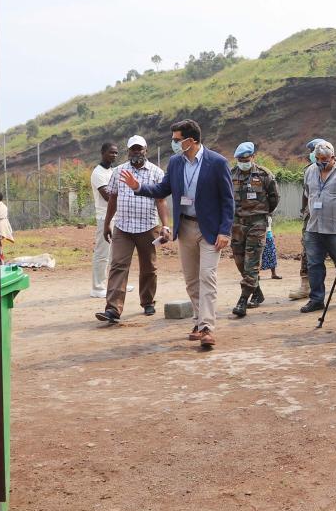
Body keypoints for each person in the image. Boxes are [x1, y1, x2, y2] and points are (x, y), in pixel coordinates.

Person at [117, 120, 235, 350]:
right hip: (186, 228)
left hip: (210, 230)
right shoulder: (175, 162)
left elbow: (228, 200)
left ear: (191, 140)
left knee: (207, 276)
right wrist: (138, 187)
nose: (173, 143)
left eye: (177, 139)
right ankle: (199, 321)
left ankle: (207, 328)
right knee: (191, 280)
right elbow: (163, 189)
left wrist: (225, 231)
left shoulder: (217, 162)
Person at [97, 136, 168, 325]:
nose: (136, 152)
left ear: (146, 150)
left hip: (148, 227)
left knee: (149, 267)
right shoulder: (119, 171)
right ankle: (113, 309)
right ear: (128, 151)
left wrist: (165, 226)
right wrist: (107, 223)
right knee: (118, 265)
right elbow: (113, 198)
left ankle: (148, 301)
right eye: (133, 149)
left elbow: (161, 200)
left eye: (139, 149)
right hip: (123, 227)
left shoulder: (156, 172)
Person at [299, 140, 336, 313]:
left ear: (333, 157)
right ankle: (316, 300)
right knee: (314, 264)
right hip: (314, 227)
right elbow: (308, 193)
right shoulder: (310, 171)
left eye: (324, 159)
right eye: (317, 158)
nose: (320, 162)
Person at [228, 142, 280, 318]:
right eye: (240, 160)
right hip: (236, 224)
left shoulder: (264, 175)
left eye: (246, 159)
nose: (244, 162)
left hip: (257, 223)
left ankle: (243, 300)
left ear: (253, 157)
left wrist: (262, 213)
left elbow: (274, 198)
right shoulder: (230, 175)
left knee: (252, 262)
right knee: (240, 261)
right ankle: (257, 292)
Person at [290, 138, 324, 301]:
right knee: (307, 250)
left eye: (314, 151)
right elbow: (306, 193)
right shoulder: (308, 170)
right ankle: (305, 286)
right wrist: (304, 211)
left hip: (331, 217)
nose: (311, 154)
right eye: (311, 152)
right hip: (310, 217)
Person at [89, 142, 118, 298]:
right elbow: (108, 196)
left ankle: (115, 284)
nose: (114, 155)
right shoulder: (98, 173)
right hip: (104, 217)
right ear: (102, 153)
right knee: (102, 253)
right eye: (111, 152)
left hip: (117, 216)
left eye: (116, 153)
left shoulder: (113, 171)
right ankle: (98, 287)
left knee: (117, 253)